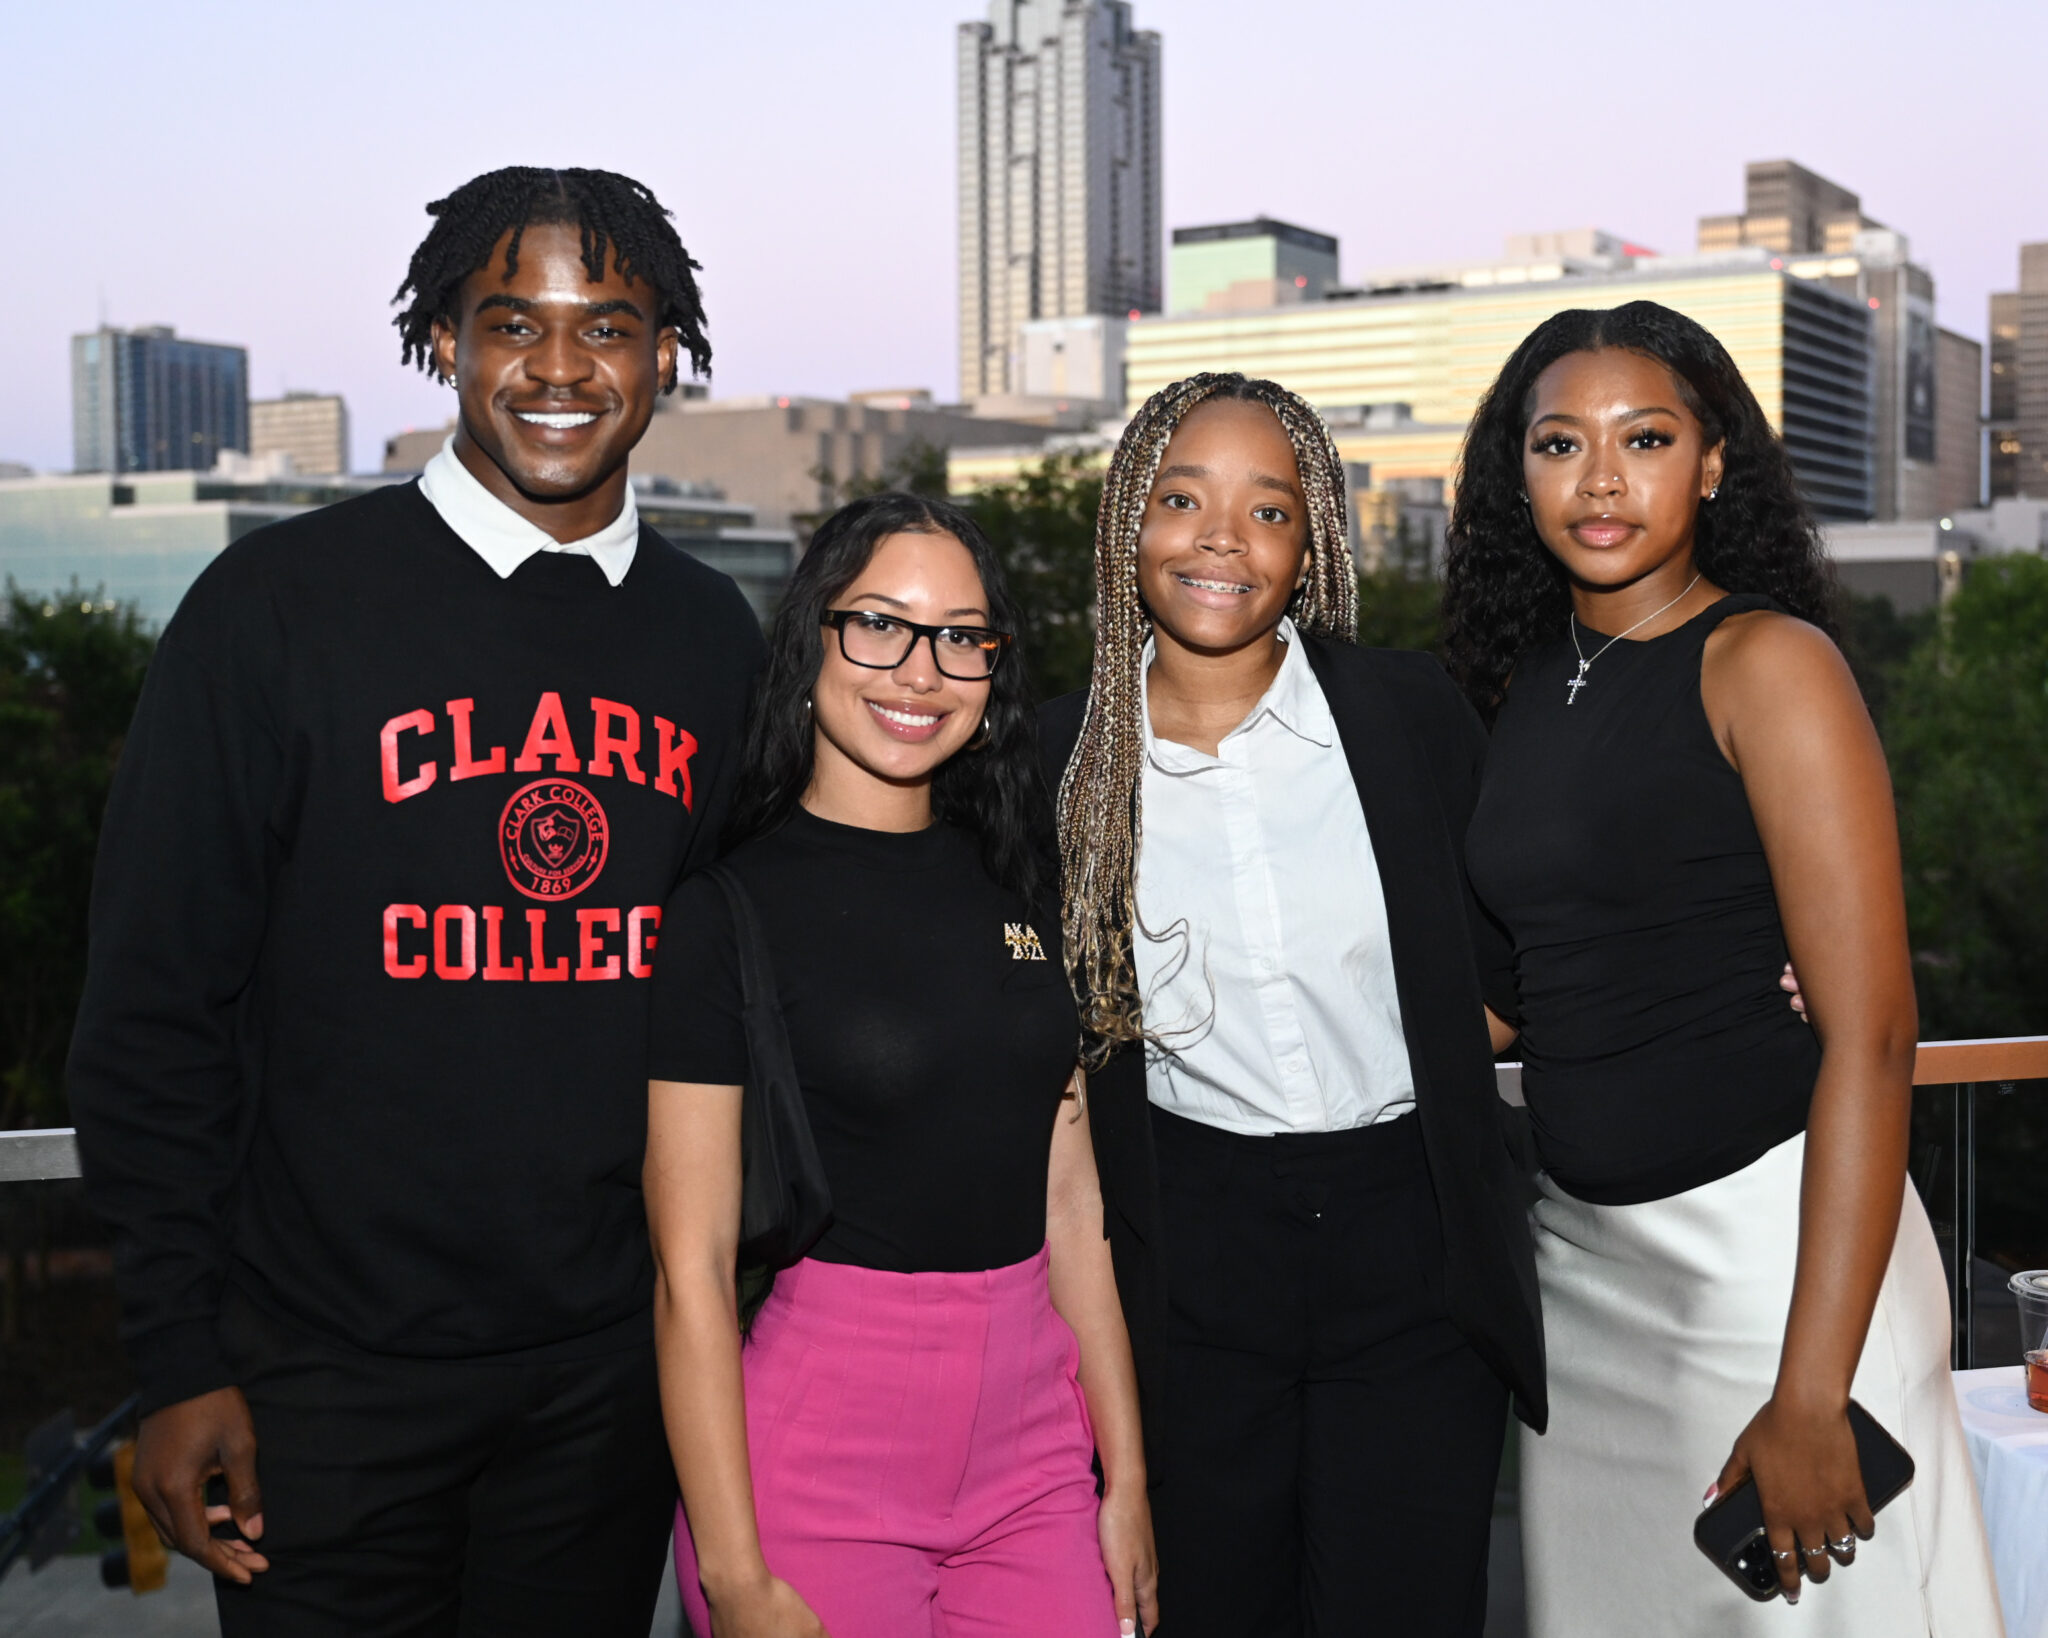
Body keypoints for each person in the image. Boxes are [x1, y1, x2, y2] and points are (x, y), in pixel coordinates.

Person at [66, 167, 765, 1636]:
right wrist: (177, 1354)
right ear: (442, 340)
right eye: (513, 321)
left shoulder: (716, 640)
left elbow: (752, 994)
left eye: (612, 325)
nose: (562, 369)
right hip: (320, 1375)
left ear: (666, 356)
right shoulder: (276, 608)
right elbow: (152, 1008)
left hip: (607, 1383)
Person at [1448, 300, 2003, 1635]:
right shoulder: (1518, 689)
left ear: (1710, 463)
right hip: (1582, 1285)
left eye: (1645, 437)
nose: (1598, 477)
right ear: (1512, 475)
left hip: (1775, 1265)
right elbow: (1520, 989)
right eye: (1557, 441)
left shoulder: (1769, 662)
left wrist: (1813, 1388)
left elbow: (1871, 1033)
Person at [1043, 372, 1543, 1636]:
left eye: (1267, 510)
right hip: (1186, 1250)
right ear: (1125, 523)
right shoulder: (1047, 761)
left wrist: (1748, 962)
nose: (1221, 536)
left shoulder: (1402, 715)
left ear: (1308, 545)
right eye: (1181, 498)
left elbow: (1523, 949)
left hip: (1410, 1244)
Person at [646, 491, 1157, 1638]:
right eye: (879, 625)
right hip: (818, 1453)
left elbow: (1074, 1212)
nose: (919, 672)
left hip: (1033, 1454)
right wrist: (736, 1576)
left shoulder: (1022, 886)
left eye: (961, 637)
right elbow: (689, 1273)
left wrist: (1122, 1482)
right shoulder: (725, 915)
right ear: (811, 638)